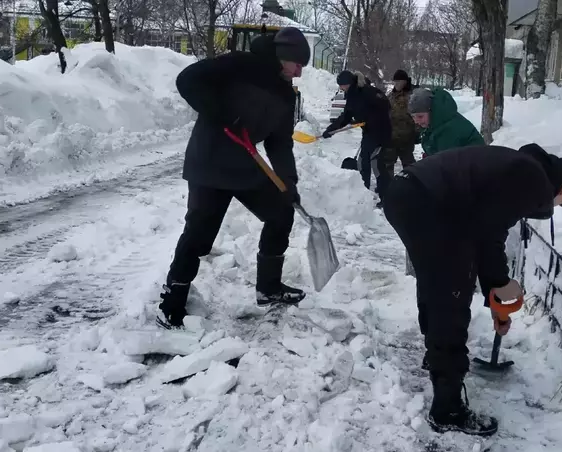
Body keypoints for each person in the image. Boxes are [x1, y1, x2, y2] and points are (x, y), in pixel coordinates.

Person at [383, 143, 562, 436]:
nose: (557, 205)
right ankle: (447, 408)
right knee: (452, 294)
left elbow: (482, 229)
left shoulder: (520, 166)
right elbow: (489, 239)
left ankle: (437, 355)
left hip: (407, 193)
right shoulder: (532, 179)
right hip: (427, 204)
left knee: (436, 280)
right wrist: (500, 295)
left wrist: (496, 295)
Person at [157, 27, 311, 329]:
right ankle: (171, 301)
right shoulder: (241, 64)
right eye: (298, 65)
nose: (299, 73)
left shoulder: (285, 92)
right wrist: (224, 113)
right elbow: (187, 80)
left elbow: (280, 142)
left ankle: (268, 287)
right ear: (284, 56)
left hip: (244, 163)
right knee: (199, 233)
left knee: (281, 212)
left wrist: (288, 181)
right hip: (210, 160)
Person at [323, 70, 392, 206]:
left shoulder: (367, 91)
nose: (341, 88)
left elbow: (386, 105)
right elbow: (346, 116)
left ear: (349, 83)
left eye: (342, 85)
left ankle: (386, 198)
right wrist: (331, 130)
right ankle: (362, 192)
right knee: (363, 162)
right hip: (368, 133)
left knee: (376, 164)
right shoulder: (352, 95)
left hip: (380, 132)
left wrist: (372, 119)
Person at [408, 87, 485, 157]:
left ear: (433, 111)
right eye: (413, 117)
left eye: (420, 116)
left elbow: (447, 164)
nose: (416, 121)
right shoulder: (434, 124)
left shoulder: (450, 129)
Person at [385, 70, 418, 172]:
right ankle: (388, 186)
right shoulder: (391, 95)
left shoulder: (413, 95)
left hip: (406, 137)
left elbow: (417, 115)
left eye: (399, 81)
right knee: (387, 165)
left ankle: (411, 186)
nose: (396, 84)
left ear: (405, 81)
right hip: (391, 137)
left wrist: (417, 134)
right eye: (395, 81)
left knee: (409, 166)